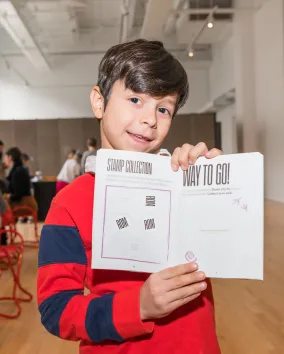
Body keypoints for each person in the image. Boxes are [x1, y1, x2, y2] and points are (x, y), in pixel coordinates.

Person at [37, 39, 222, 354]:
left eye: (163, 108)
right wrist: (138, 307)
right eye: (136, 99)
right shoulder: (70, 203)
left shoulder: (182, 181)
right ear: (99, 102)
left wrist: (213, 184)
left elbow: (222, 245)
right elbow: (56, 308)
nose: (150, 119)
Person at [4, 147, 37, 214]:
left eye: (5, 157)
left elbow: (18, 194)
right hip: (25, 202)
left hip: (23, 204)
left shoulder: (17, 172)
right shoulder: (19, 169)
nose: (4, 160)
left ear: (10, 157)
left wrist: (8, 196)